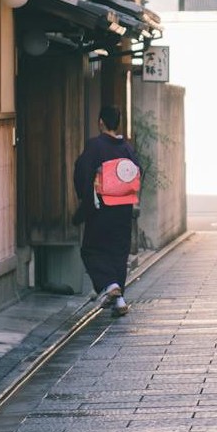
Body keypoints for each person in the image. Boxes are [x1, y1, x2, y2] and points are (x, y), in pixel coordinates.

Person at [72, 105, 140, 316]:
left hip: (102, 207)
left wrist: (84, 199)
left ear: (101, 122)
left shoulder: (95, 146)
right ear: (118, 123)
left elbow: (82, 172)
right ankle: (119, 300)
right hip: (124, 208)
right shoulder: (127, 148)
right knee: (118, 253)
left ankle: (110, 285)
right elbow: (137, 173)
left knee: (92, 250)